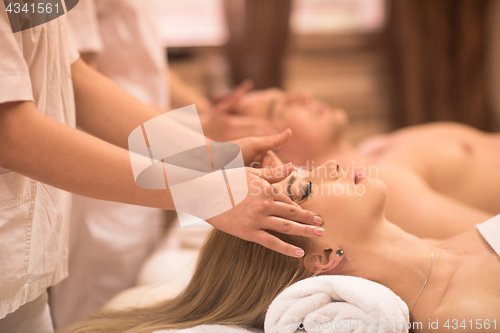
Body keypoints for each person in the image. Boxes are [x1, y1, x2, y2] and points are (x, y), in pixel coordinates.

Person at [0, 5, 322, 331]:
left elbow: (69, 77)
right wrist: (202, 191)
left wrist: (209, 155)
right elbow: (9, 133)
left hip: (22, 269)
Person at [58, 160, 500, 333]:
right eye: (305, 190)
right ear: (324, 257)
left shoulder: (456, 245)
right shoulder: (462, 317)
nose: (328, 167)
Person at [231, 88, 500, 238]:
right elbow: (491, 240)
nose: (302, 94)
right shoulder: (380, 186)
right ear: (270, 149)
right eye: (283, 107)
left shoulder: (374, 147)